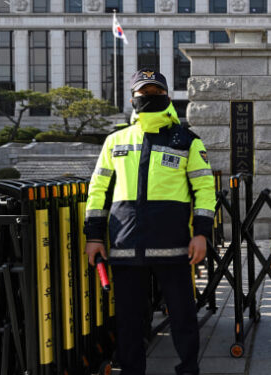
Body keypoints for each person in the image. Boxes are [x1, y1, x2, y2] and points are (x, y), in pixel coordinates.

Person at [84, 70, 215, 375]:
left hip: (174, 248)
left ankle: (188, 370)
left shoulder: (187, 141)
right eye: (144, 94)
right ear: (133, 98)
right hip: (125, 247)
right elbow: (98, 190)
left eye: (156, 93)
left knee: (183, 317)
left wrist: (202, 234)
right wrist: (93, 236)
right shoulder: (115, 140)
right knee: (129, 321)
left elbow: (205, 191)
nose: (149, 98)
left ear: (168, 97)